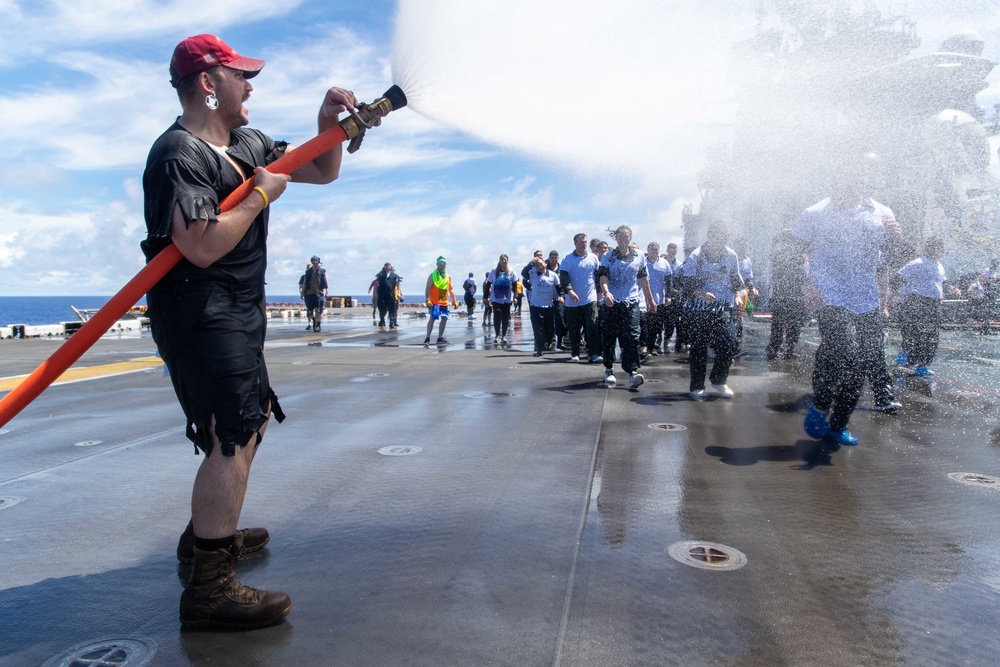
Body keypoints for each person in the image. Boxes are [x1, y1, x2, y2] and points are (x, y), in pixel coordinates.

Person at [141, 33, 358, 629]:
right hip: (198, 307)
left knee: (251, 415)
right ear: (209, 83)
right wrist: (260, 193)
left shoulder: (248, 142)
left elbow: (320, 170)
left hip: (239, 306)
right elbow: (201, 245)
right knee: (228, 433)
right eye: (241, 74)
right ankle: (208, 588)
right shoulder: (176, 153)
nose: (251, 84)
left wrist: (327, 123)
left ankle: (205, 536)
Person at [793, 147, 903, 446]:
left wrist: (897, 240)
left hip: (865, 297)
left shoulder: (881, 212)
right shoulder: (815, 213)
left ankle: (838, 423)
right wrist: (807, 286)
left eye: (859, 175)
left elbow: (892, 259)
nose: (853, 180)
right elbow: (789, 255)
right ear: (836, 178)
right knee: (844, 350)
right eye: (846, 174)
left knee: (863, 360)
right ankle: (820, 404)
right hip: (830, 295)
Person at [675, 222, 743, 399]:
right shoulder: (697, 255)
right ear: (711, 236)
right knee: (699, 347)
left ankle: (719, 380)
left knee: (728, 343)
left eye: (725, 237)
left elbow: (735, 279)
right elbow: (687, 284)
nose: (723, 240)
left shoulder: (731, 255)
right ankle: (697, 386)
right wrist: (703, 293)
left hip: (723, 306)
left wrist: (737, 294)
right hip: (699, 307)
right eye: (720, 237)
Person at [596, 225, 656, 389]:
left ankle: (633, 372)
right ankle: (609, 369)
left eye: (626, 236)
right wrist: (606, 292)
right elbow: (603, 277)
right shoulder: (608, 256)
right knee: (610, 336)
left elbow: (644, 280)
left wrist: (650, 301)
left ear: (630, 238)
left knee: (632, 336)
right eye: (620, 236)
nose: (623, 239)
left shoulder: (639, 256)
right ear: (616, 239)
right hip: (611, 301)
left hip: (631, 301)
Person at [896, 237, 946, 376]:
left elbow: (941, 284)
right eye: (936, 247)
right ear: (929, 248)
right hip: (917, 301)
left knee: (931, 336)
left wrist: (952, 290)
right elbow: (898, 279)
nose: (939, 251)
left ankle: (922, 365)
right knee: (915, 332)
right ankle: (904, 356)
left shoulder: (939, 266)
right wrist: (896, 298)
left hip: (934, 303)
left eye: (941, 248)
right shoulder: (917, 263)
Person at [765, 230, 808, 361]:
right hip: (788, 294)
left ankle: (779, 348)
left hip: (788, 294)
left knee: (785, 323)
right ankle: (785, 349)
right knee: (788, 323)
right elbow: (806, 274)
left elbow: (770, 275)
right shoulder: (798, 256)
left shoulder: (798, 256)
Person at [560, 233, 602, 363]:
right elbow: (564, 278)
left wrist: (600, 294)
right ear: (575, 243)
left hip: (590, 298)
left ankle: (593, 353)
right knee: (574, 328)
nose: (583, 244)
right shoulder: (567, 260)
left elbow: (598, 277)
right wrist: (570, 291)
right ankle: (575, 353)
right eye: (581, 242)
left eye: (585, 242)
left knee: (592, 325)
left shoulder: (593, 258)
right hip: (572, 301)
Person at [527, 256, 564, 356]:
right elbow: (523, 274)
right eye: (536, 265)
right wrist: (531, 262)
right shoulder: (532, 274)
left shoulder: (553, 275)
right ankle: (539, 349)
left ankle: (548, 341)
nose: (539, 266)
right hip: (535, 305)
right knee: (537, 328)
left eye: (540, 263)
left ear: (545, 263)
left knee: (549, 329)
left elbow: (559, 288)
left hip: (548, 305)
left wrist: (561, 296)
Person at [641, 242, 672, 357]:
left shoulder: (664, 263)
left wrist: (668, 295)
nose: (654, 253)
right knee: (644, 325)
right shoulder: (643, 262)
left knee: (655, 325)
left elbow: (669, 281)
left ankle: (650, 347)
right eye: (652, 250)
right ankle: (643, 348)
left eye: (656, 251)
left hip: (659, 300)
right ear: (648, 250)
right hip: (644, 300)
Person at [423, 257, 459, 345]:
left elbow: (451, 289)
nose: (442, 264)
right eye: (440, 263)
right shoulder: (432, 275)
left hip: (444, 301)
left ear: (446, 264)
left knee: (444, 318)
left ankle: (440, 337)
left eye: (443, 263)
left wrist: (454, 300)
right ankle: (428, 337)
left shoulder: (448, 276)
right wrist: (427, 299)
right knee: (432, 318)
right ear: (437, 264)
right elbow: (428, 288)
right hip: (435, 302)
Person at [487, 254, 519, 347]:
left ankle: (504, 336)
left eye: (505, 260)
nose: (503, 261)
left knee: (505, 316)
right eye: (502, 260)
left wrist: (515, 296)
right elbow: (488, 284)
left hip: (507, 298)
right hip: (495, 298)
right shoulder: (494, 271)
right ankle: (497, 335)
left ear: (507, 261)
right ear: (499, 261)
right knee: (497, 313)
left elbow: (515, 286)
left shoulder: (511, 271)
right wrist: (486, 296)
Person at [299, 255, 328, 331]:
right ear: (311, 262)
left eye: (316, 261)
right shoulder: (308, 272)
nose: (315, 262)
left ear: (318, 262)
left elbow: (326, 282)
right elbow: (304, 283)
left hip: (319, 294)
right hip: (309, 294)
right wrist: (302, 293)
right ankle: (314, 320)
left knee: (319, 310)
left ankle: (317, 325)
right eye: (313, 261)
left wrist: (327, 292)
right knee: (309, 312)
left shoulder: (322, 271)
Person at [546, 250, 567, 350]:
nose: (554, 259)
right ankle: (551, 340)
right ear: (549, 258)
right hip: (547, 298)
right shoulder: (545, 269)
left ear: (558, 258)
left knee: (560, 319)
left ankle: (560, 340)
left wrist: (562, 295)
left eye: (555, 257)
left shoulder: (562, 269)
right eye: (552, 258)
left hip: (560, 298)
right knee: (549, 320)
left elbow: (565, 282)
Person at [376, 262, 403, 328]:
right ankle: (382, 321)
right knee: (382, 308)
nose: (388, 267)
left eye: (389, 266)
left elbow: (398, 285)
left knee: (392, 309)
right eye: (386, 266)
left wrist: (399, 294)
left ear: (391, 267)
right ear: (384, 267)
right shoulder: (381, 275)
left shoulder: (394, 275)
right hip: (382, 294)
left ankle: (392, 322)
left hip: (391, 295)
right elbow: (377, 284)